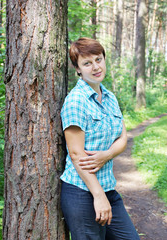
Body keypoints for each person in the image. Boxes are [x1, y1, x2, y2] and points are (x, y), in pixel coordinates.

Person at [60, 37, 140, 240]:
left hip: (108, 189)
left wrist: (107, 154)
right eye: (87, 63)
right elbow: (77, 154)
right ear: (77, 69)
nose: (95, 67)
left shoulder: (110, 97)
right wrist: (98, 195)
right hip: (82, 192)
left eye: (98, 59)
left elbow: (123, 136)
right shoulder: (76, 101)